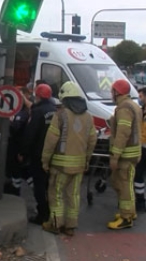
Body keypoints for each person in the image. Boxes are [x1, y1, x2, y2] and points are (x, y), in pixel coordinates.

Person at [40, 81, 97, 236]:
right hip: (79, 165)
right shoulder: (88, 117)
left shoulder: (60, 116)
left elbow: (50, 141)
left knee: (56, 193)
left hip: (60, 165)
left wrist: (45, 161)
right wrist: (87, 159)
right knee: (73, 194)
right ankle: (71, 226)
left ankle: (56, 224)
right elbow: (92, 140)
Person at [107, 79, 142, 230]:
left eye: (112, 91)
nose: (111, 94)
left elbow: (123, 133)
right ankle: (129, 211)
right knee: (122, 183)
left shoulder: (124, 108)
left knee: (123, 184)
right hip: (132, 152)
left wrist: (115, 155)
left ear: (117, 92)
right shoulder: (132, 105)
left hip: (125, 155)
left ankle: (126, 217)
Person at [21, 83, 57, 224]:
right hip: (53, 153)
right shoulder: (54, 110)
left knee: (39, 185)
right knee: (50, 185)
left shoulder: (37, 112)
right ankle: (50, 211)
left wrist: (23, 152)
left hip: (38, 154)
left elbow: (31, 134)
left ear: (38, 96)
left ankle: (42, 214)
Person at [4, 86, 33, 196]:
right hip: (16, 148)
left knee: (21, 171)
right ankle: (16, 189)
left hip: (18, 148)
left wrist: (10, 122)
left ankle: (17, 191)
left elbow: (16, 128)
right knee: (19, 171)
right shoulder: (18, 112)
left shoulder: (23, 113)